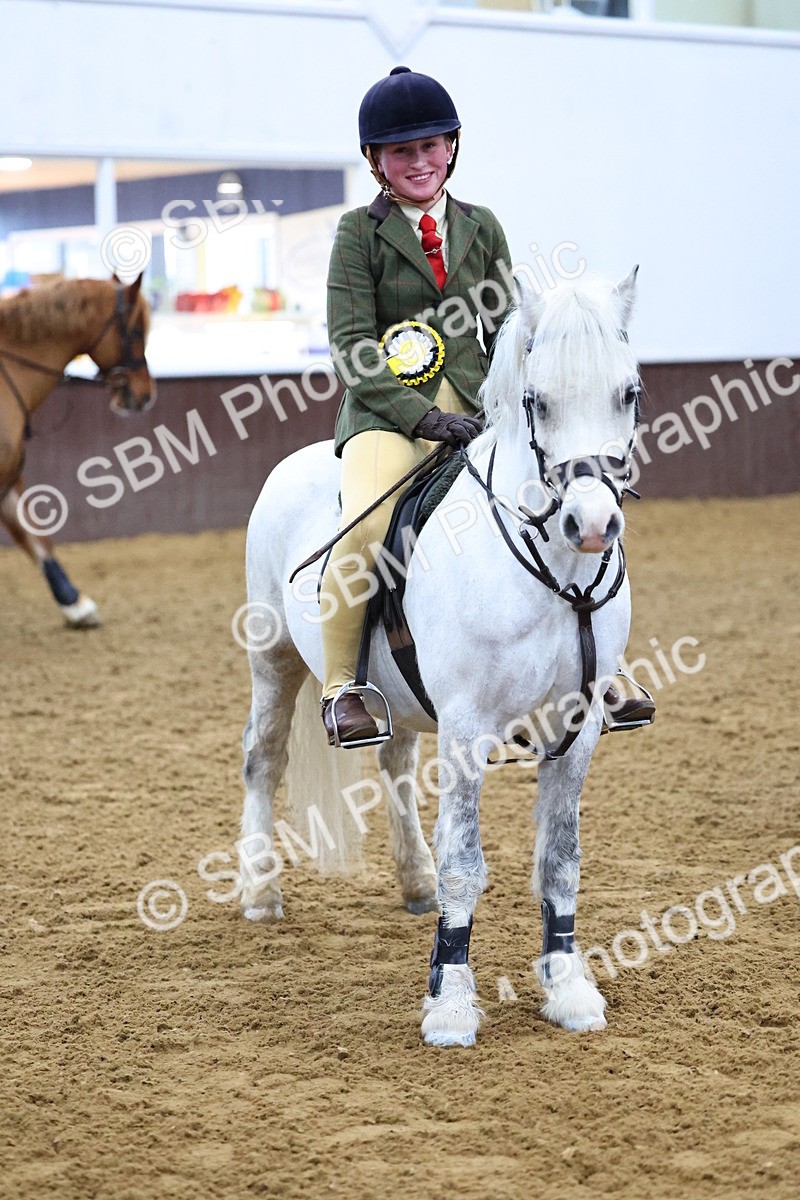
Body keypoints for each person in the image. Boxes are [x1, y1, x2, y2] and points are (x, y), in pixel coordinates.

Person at [319, 65, 513, 745]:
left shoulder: (482, 226)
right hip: (388, 416)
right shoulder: (357, 233)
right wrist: (420, 417)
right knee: (366, 528)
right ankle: (343, 687)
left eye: (431, 145)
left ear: (451, 146)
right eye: (402, 151)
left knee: (558, 499)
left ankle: (596, 669)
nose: (420, 161)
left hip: (479, 407)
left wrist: (515, 400)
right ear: (377, 160)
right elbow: (350, 345)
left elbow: (508, 327)